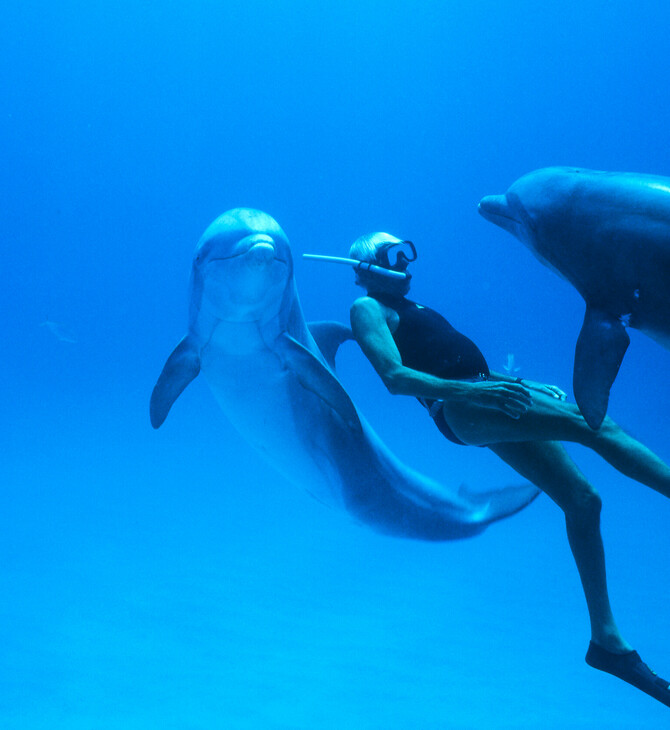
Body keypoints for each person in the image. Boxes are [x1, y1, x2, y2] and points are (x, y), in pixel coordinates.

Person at [340, 232, 670, 707]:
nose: (407, 267)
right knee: (597, 426)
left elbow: (464, 366)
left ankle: (607, 643)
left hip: (486, 396)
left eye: (408, 256)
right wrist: (475, 393)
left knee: (582, 499)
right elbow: (395, 378)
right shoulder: (367, 310)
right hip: (461, 411)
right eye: (395, 258)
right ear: (368, 267)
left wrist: (517, 382)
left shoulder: (415, 309)